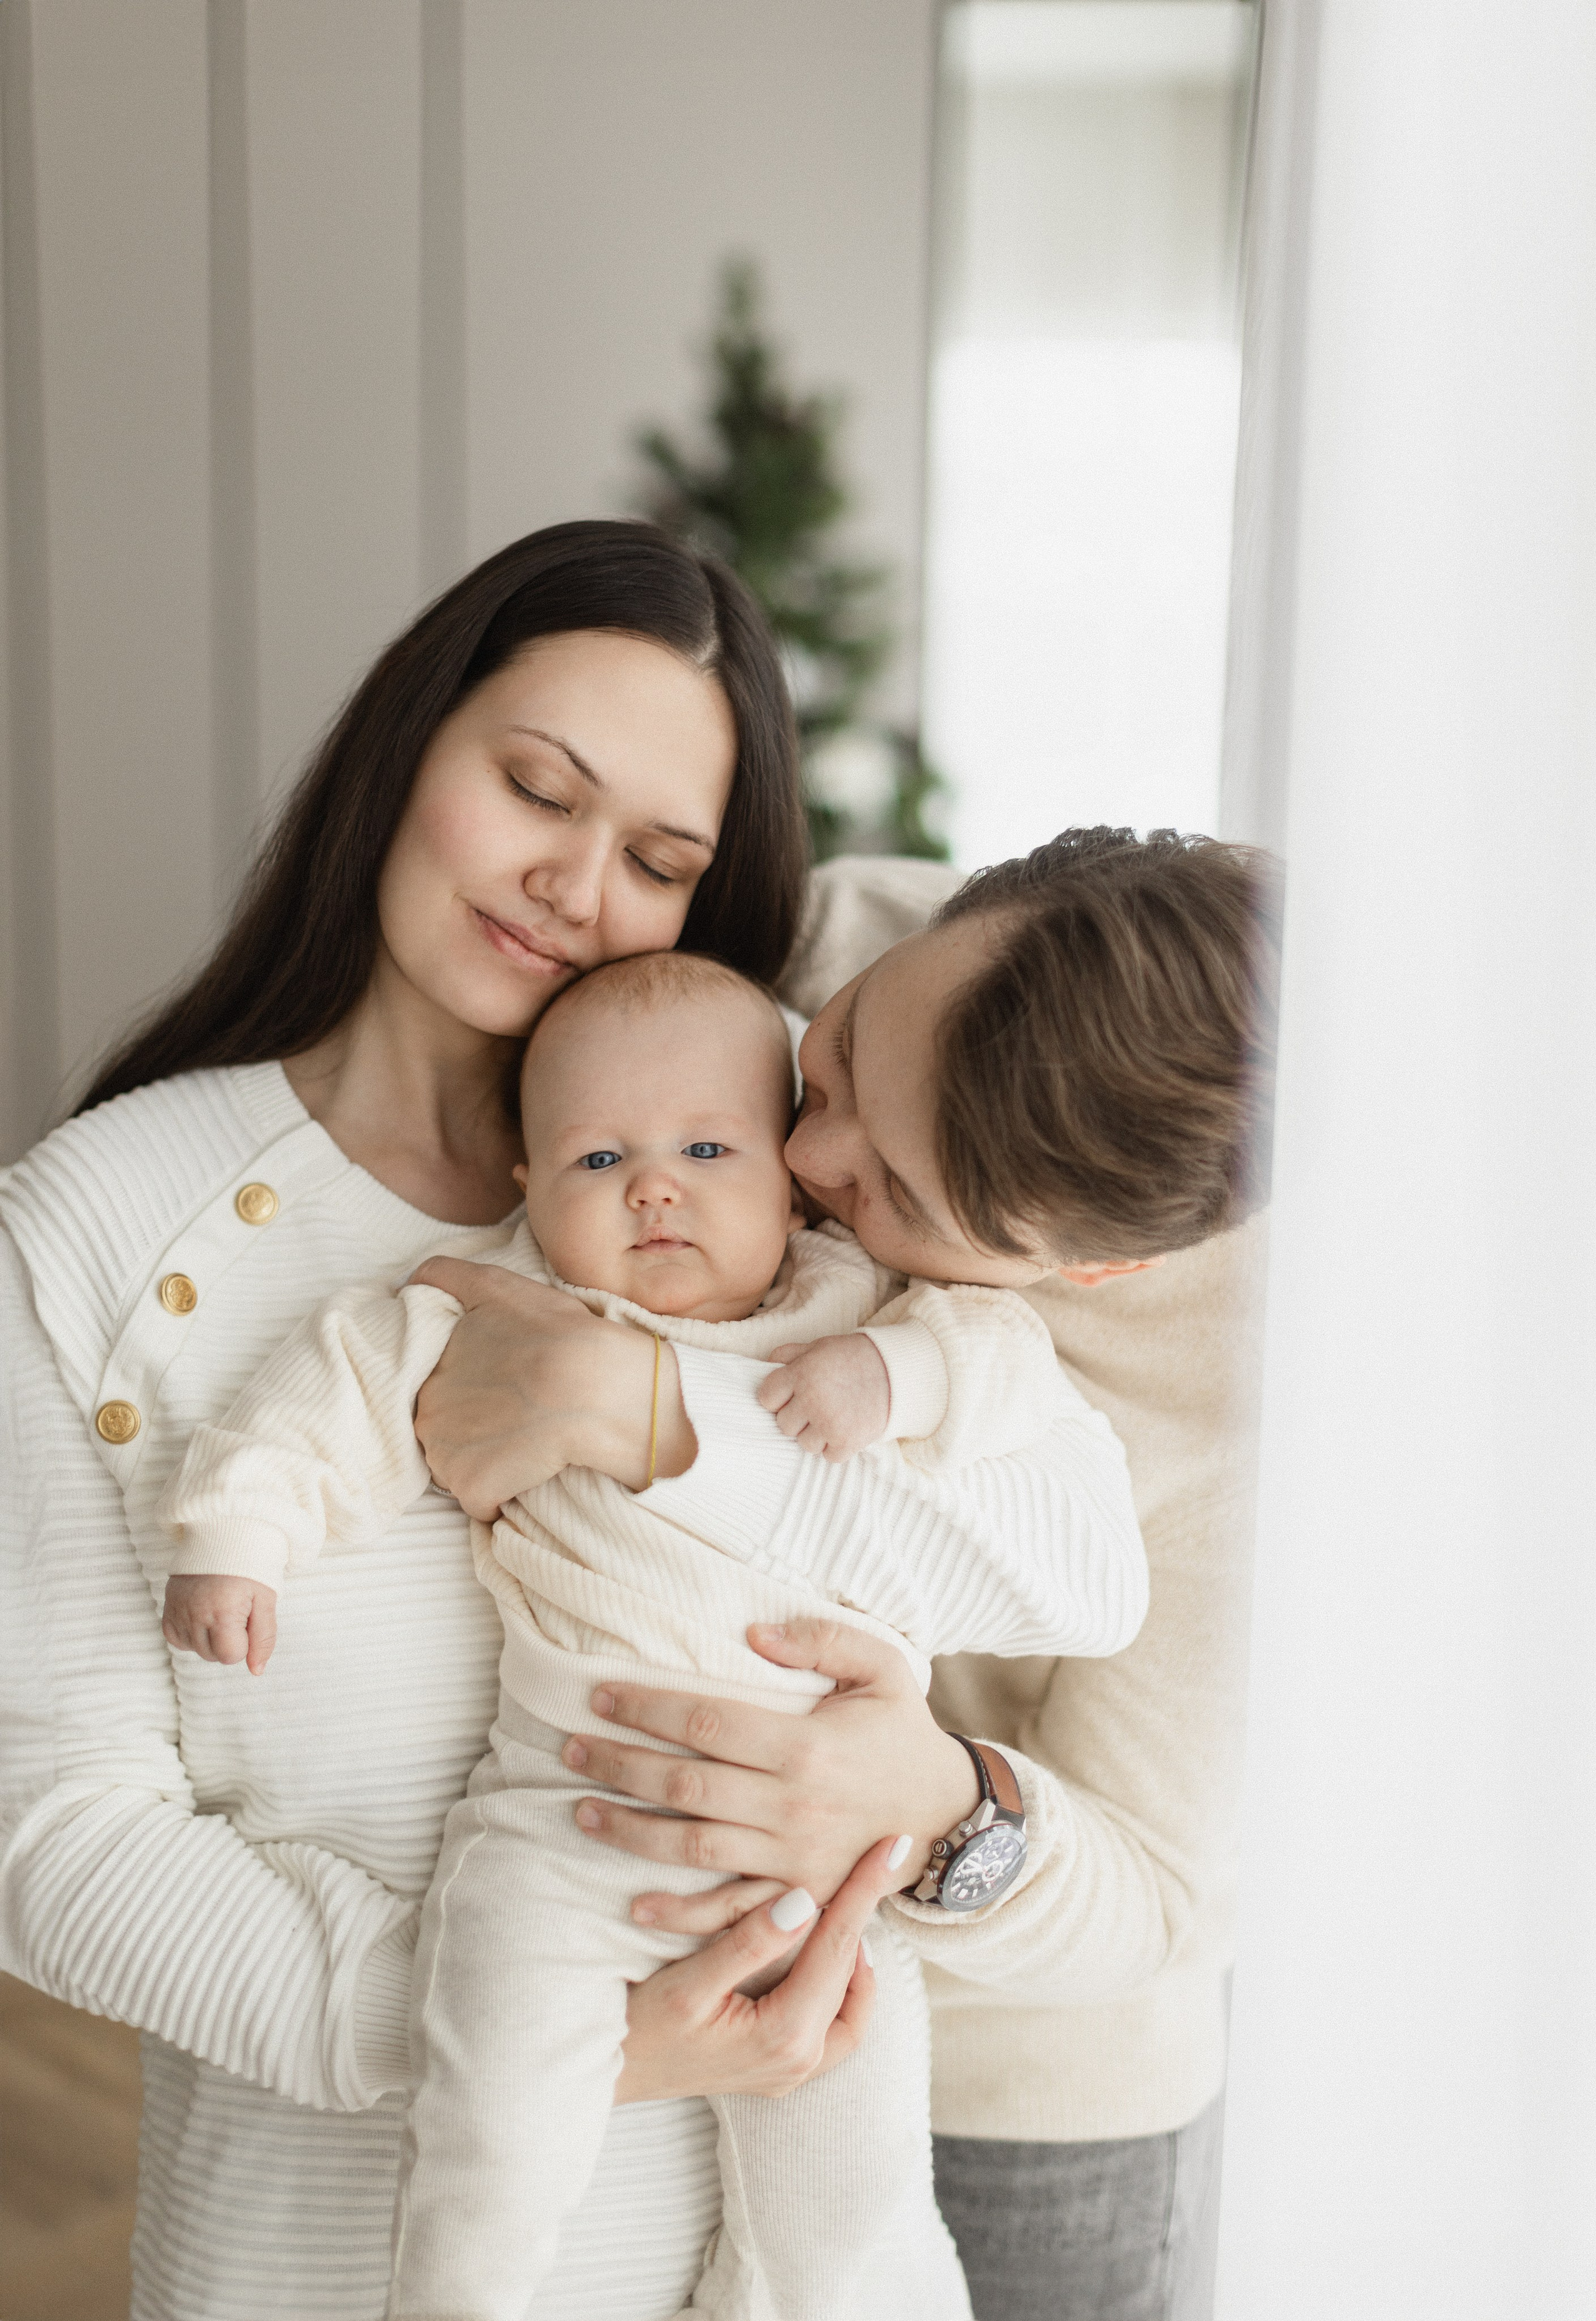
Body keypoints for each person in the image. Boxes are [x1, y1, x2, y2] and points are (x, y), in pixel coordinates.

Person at [157, 946, 1148, 2321]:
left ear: (788, 1174)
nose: (653, 1187)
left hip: (827, 1861)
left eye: (705, 1148)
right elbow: (332, 1387)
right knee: (494, 2124)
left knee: (853, 2194)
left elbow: (1005, 1362)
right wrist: (235, 1534)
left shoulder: (856, 1292)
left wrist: (897, 1374)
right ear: (526, 1184)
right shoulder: (494, 1299)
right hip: (564, 1824)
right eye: (597, 1158)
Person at [411, 834, 1279, 2321]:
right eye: (851, 1045)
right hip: (619, 1929)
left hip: (1003, 2099)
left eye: (898, 1196)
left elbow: (1161, 1895)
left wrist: (937, 1807)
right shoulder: (814, 927)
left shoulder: (1267, 1396)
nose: (804, 1159)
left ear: (1089, 1268)